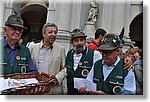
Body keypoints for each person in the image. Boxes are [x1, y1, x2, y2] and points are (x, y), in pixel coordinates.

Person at [29, 23, 67, 95]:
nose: (53, 34)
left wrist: (57, 78)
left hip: (53, 88)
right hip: (36, 88)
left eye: (55, 33)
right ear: (43, 34)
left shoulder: (61, 49)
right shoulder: (33, 48)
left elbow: (64, 69)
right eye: (50, 32)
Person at [66, 29, 102, 95]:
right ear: (72, 42)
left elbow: (99, 73)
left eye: (81, 40)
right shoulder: (69, 53)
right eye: (76, 41)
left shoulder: (95, 54)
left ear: (85, 41)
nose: (79, 43)